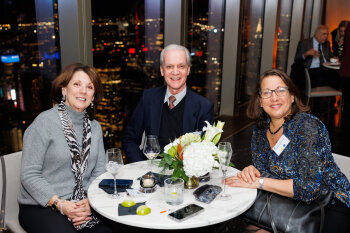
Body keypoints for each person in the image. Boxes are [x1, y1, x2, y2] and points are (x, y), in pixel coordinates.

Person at [225, 69, 350, 233]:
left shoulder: (308, 127)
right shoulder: (260, 130)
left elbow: (309, 189)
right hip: (289, 199)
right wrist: (253, 171)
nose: (274, 97)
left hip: (330, 203)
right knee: (251, 228)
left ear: (292, 96)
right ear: (260, 101)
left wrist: (260, 181)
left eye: (280, 90)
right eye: (267, 92)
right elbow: (263, 170)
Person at [18, 63, 112, 233]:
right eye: (77, 84)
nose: (83, 91)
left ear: (93, 95)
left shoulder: (95, 127)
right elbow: (29, 175)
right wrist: (61, 205)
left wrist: (89, 202)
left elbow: (99, 172)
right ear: (63, 90)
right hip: (43, 204)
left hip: (82, 202)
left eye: (89, 87)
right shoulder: (44, 123)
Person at [123, 44, 214, 163]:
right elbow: (130, 139)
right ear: (162, 70)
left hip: (186, 177)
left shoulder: (204, 106)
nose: (175, 72)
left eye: (181, 66)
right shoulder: (148, 98)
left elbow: (206, 151)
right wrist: (142, 168)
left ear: (188, 70)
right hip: (150, 174)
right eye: (169, 66)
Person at [291, 25, 339, 89]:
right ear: (316, 34)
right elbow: (297, 59)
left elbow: (330, 55)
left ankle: (332, 96)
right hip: (311, 70)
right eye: (324, 34)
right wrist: (306, 54)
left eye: (327, 34)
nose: (326, 37)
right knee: (321, 76)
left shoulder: (327, 43)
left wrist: (334, 58)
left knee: (339, 75)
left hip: (326, 70)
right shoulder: (304, 43)